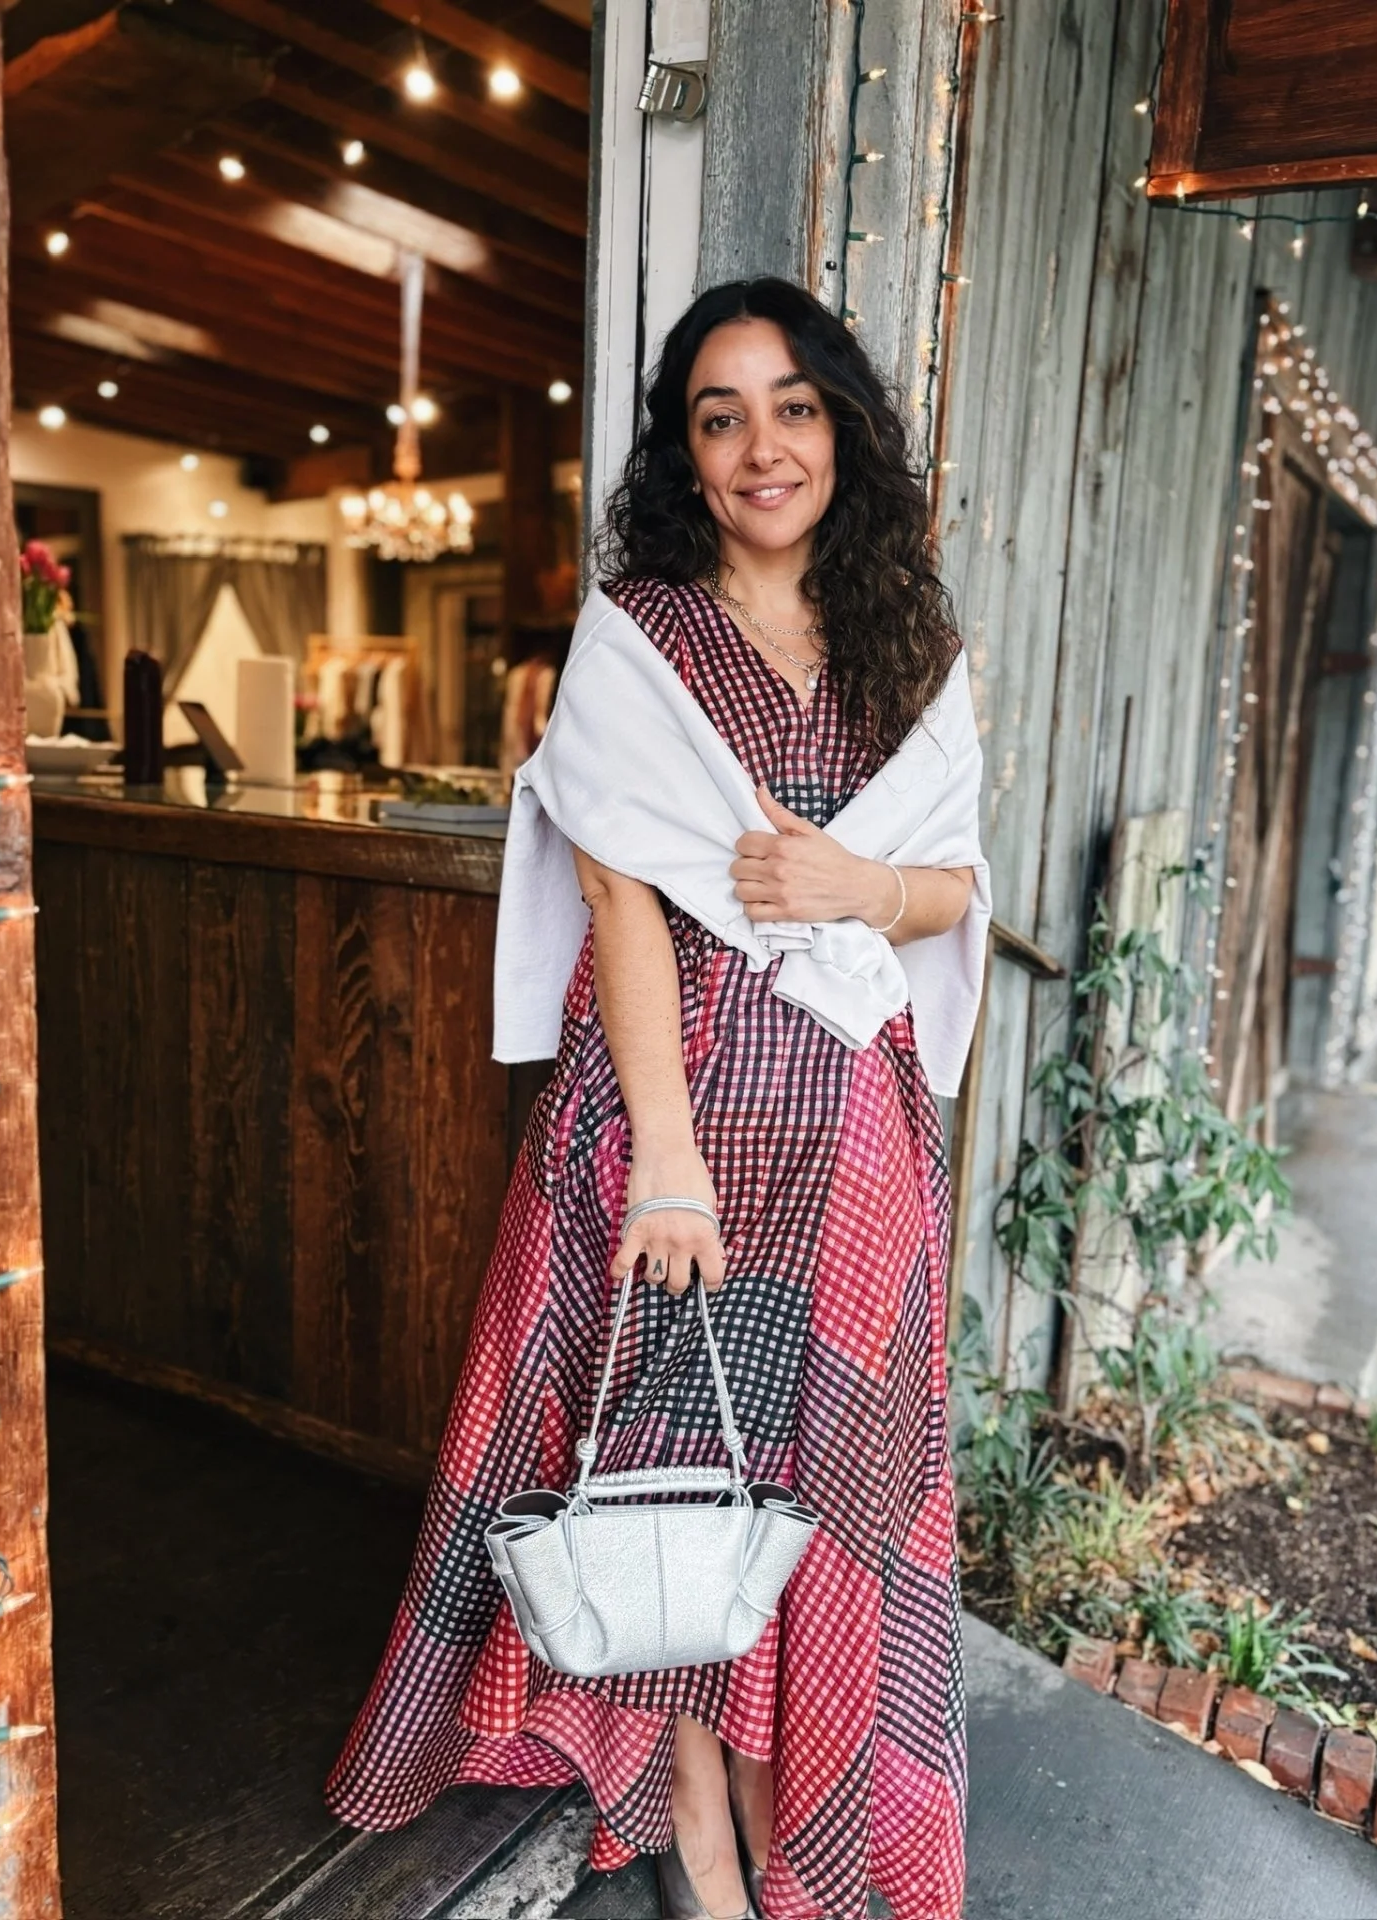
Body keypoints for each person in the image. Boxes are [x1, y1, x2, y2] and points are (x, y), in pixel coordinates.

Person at [327, 276, 991, 1920]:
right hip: (674, 1125)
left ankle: (812, 1840)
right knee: (679, 1481)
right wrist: (669, 1170)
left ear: (843, 429)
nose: (761, 444)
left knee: (822, 1501)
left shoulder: (914, 639)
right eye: (719, 416)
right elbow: (623, 901)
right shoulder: (644, 632)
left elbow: (958, 891)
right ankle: (703, 1826)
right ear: (685, 456)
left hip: (854, 1143)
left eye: (792, 406)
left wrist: (854, 883)